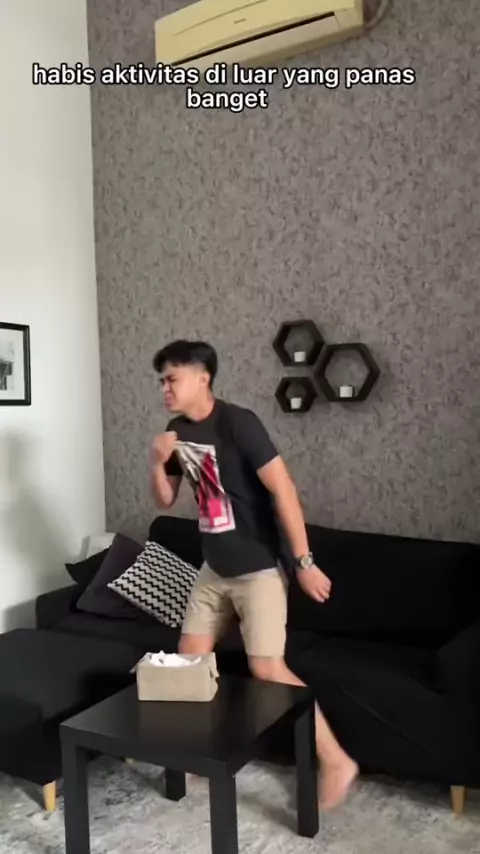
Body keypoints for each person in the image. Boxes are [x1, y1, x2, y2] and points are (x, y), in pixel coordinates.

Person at [150, 339, 358, 809]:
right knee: (189, 663)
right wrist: (156, 460)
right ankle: (197, 756)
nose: (165, 388)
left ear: (202, 378)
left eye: (172, 378)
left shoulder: (238, 423)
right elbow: (165, 499)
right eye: (162, 380)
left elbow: (284, 490)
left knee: (267, 668)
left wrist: (303, 562)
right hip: (213, 568)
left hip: (258, 568)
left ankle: (336, 760)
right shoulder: (174, 431)